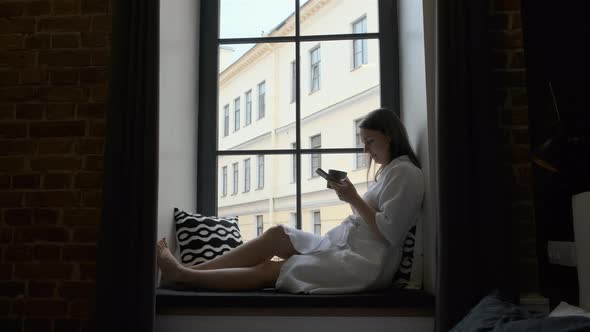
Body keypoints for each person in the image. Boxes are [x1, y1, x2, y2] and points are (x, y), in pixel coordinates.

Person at [156, 108, 424, 293]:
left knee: (272, 270)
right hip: (342, 247)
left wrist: (353, 197)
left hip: (362, 265)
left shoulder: (406, 173)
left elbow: (390, 232)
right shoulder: (389, 172)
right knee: (276, 235)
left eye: (370, 141)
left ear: (389, 135)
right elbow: (370, 217)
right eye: (363, 142)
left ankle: (184, 277)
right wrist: (349, 198)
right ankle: (188, 272)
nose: (365, 149)